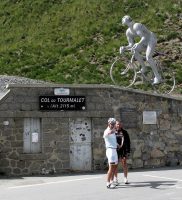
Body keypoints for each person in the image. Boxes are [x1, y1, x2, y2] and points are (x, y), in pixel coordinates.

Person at [120, 15, 161, 85]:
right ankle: (144, 67)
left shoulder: (137, 26)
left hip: (151, 39)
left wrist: (138, 43)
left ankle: (158, 77)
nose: (129, 24)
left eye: (129, 22)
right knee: (134, 50)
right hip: (144, 42)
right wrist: (124, 47)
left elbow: (144, 37)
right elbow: (131, 45)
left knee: (148, 57)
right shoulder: (128, 32)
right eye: (127, 23)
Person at [114, 120, 130, 184]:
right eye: (117, 124)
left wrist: (128, 151)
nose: (119, 125)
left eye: (120, 124)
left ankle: (125, 178)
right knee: (115, 165)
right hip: (116, 150)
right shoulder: (113, 132)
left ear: (121, 125)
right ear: (115, 125)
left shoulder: (125, 132)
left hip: (123, 150)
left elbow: (128, 142)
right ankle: (115, 178)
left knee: (124, 164)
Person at [103, 118, 118, 189]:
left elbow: (112, 140)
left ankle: (112, 181)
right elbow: (105, 135)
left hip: (114, 150)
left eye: (113, 124)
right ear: (108, 124)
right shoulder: (107, 131)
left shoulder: (114, 131)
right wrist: (112, 132)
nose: (112, 125)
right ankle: (108, 183)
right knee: (111, 168)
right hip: (110, 150)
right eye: (111, 124)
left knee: (115, 167)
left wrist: (118, 144)